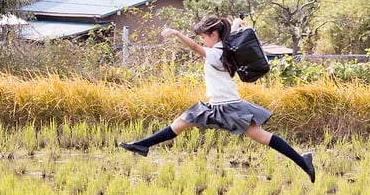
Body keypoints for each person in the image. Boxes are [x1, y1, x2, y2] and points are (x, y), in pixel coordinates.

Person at [119, 15, 316, 182]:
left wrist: (177, 34)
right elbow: (227, 37)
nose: (203, 40)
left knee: (262, 136)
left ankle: (302, 161)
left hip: (228, 107)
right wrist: (236, 23)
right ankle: (143, 144)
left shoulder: (214, 53)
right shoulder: (225, 46)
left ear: (214, 35)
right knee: (181, 122)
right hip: (216, 105)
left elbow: (196, 47)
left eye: (204, 36)